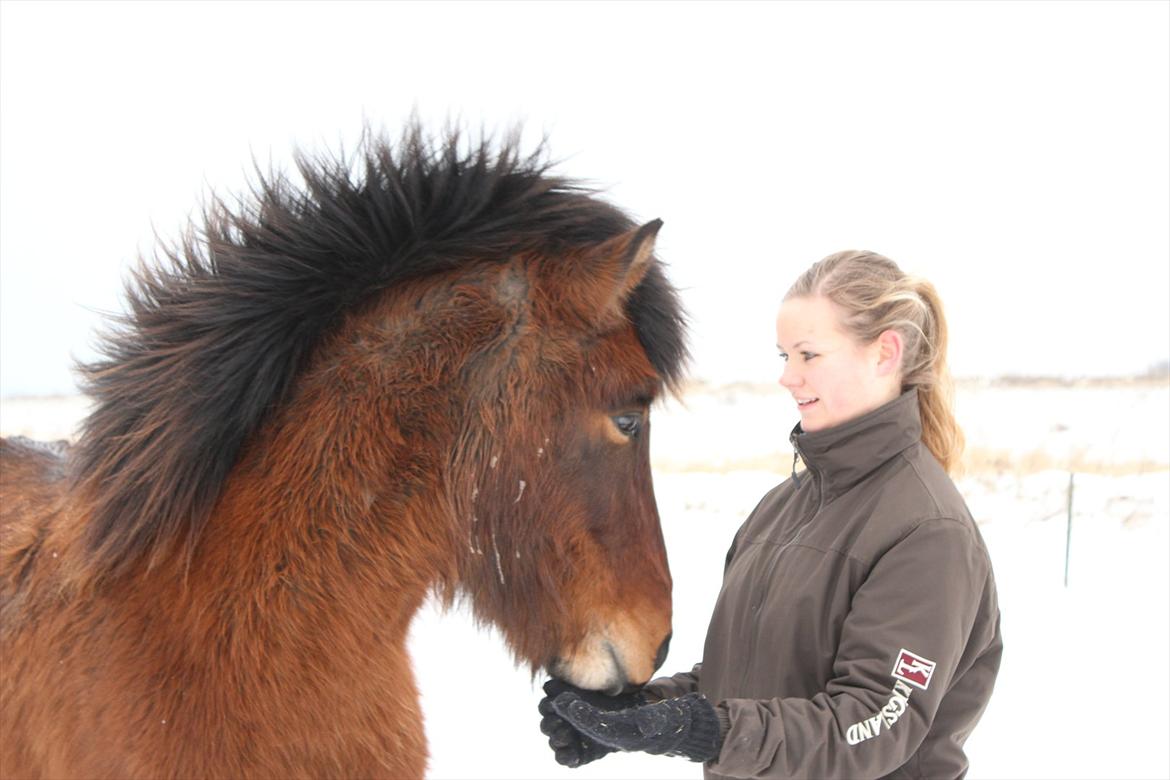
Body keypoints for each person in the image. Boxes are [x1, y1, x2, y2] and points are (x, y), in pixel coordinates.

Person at [539, 250, 1002, 779]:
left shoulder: (927, 532)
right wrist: (635, 715)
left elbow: (873, 724)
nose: (788, 376)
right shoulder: (781, 509)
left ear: (884, 353)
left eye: (808, 355)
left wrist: (703, 730)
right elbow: (741, 682)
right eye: (783, 355)